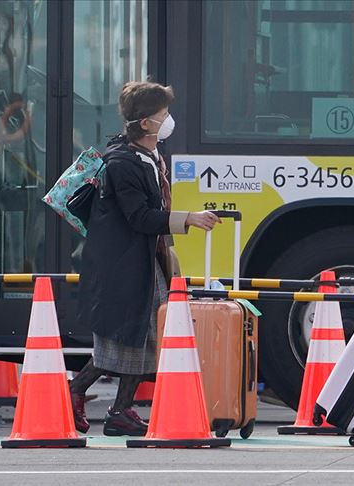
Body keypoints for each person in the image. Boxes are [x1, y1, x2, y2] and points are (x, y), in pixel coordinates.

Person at [69, 81, 221, 436]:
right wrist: (189, 219)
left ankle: (117, 409)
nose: (168, 120)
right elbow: (139, 217)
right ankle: (83, 394)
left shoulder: (145, 156)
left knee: (141, 337)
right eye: (162, 115)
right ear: (145, 123)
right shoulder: (123, 162)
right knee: (131, 338)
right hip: (123, 264)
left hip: (141, 259)